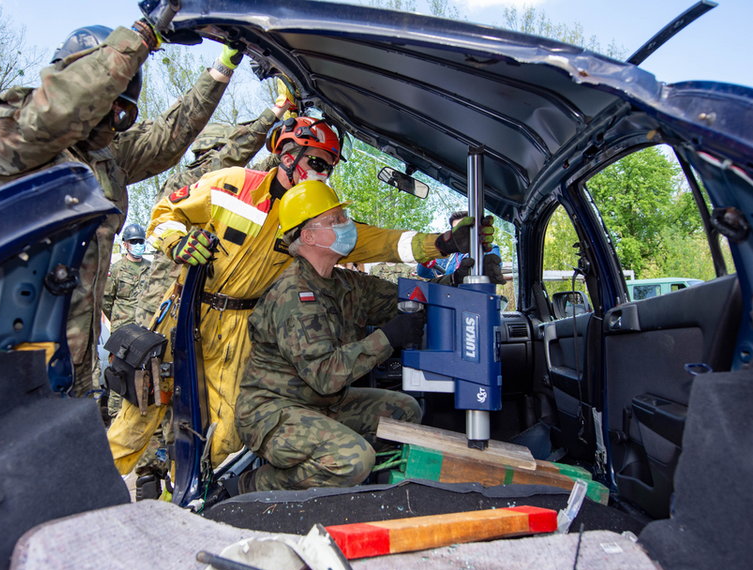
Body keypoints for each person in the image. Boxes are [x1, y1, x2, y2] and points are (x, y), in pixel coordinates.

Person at [107, 115, 490, 474]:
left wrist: (442, 243)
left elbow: (381, 242)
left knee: (224, 436)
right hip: (187, 314)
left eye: (329, 168)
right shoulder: (229, 185)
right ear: (288, 157)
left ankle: (190, 512)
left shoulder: (313, 218)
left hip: (241, 329)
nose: (324, 175)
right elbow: (165, 212)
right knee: (138, 416)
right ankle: (85, 506)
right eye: (319, 165)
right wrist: (178, 241)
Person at [0, 17, 239, 396]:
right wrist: (142, 37)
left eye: (121, 110)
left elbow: (169, 136)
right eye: (108, 99)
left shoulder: (102, 156)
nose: (111, 118)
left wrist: (222, 68)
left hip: (70, 360)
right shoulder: (4, 139)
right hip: (3, 360)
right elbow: (58, 111)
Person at [233, 180, 424, 492]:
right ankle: (255, 486)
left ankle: (371, 488)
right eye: (335, 221)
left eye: (343, 218)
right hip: (273, 412)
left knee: (404, 412)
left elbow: (403, 297)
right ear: (307, 236)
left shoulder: (344, 282)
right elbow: (325, 374)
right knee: (352, 460)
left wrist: (455, 281)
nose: (346, 226)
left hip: (321, 404)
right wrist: (388, 337)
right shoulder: (294, 294)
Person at [134, 79, 297, 327]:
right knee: (158, 360)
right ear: (216, 149)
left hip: (195, 293)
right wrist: (275, 112)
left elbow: (267, 173)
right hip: (166, 291)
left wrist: (292, 135)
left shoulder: (230, 181)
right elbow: (234, 159)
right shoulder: (192, 179)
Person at [102, 223, 151, 418]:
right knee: (119, 370)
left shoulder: (150, 268)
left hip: (144, 330)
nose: (138, 244)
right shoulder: (116, 270)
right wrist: (119, 319)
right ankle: (115, 413)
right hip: (123, 330)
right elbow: (106, 300)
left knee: (143, 371)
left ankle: (140, 412)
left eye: (140, 241)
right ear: (125, 245)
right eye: (134, 242)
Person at [417, 211, 506, 284]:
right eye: (456, 230)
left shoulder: (488, 249)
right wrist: (429, 251)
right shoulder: (448, 254)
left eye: (463, 228)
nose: (460, 234)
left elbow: (490, 269)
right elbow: (423, 272)